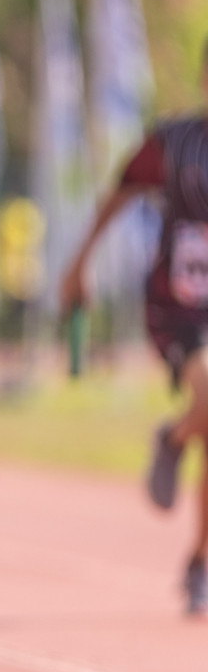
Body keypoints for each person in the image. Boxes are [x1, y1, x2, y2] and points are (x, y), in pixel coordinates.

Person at [61, 43, 208, 616]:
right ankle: (175, 439)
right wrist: (78, 265)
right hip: (183, 309)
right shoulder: (174, 144)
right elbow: (119, 194)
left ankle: (198, 561)